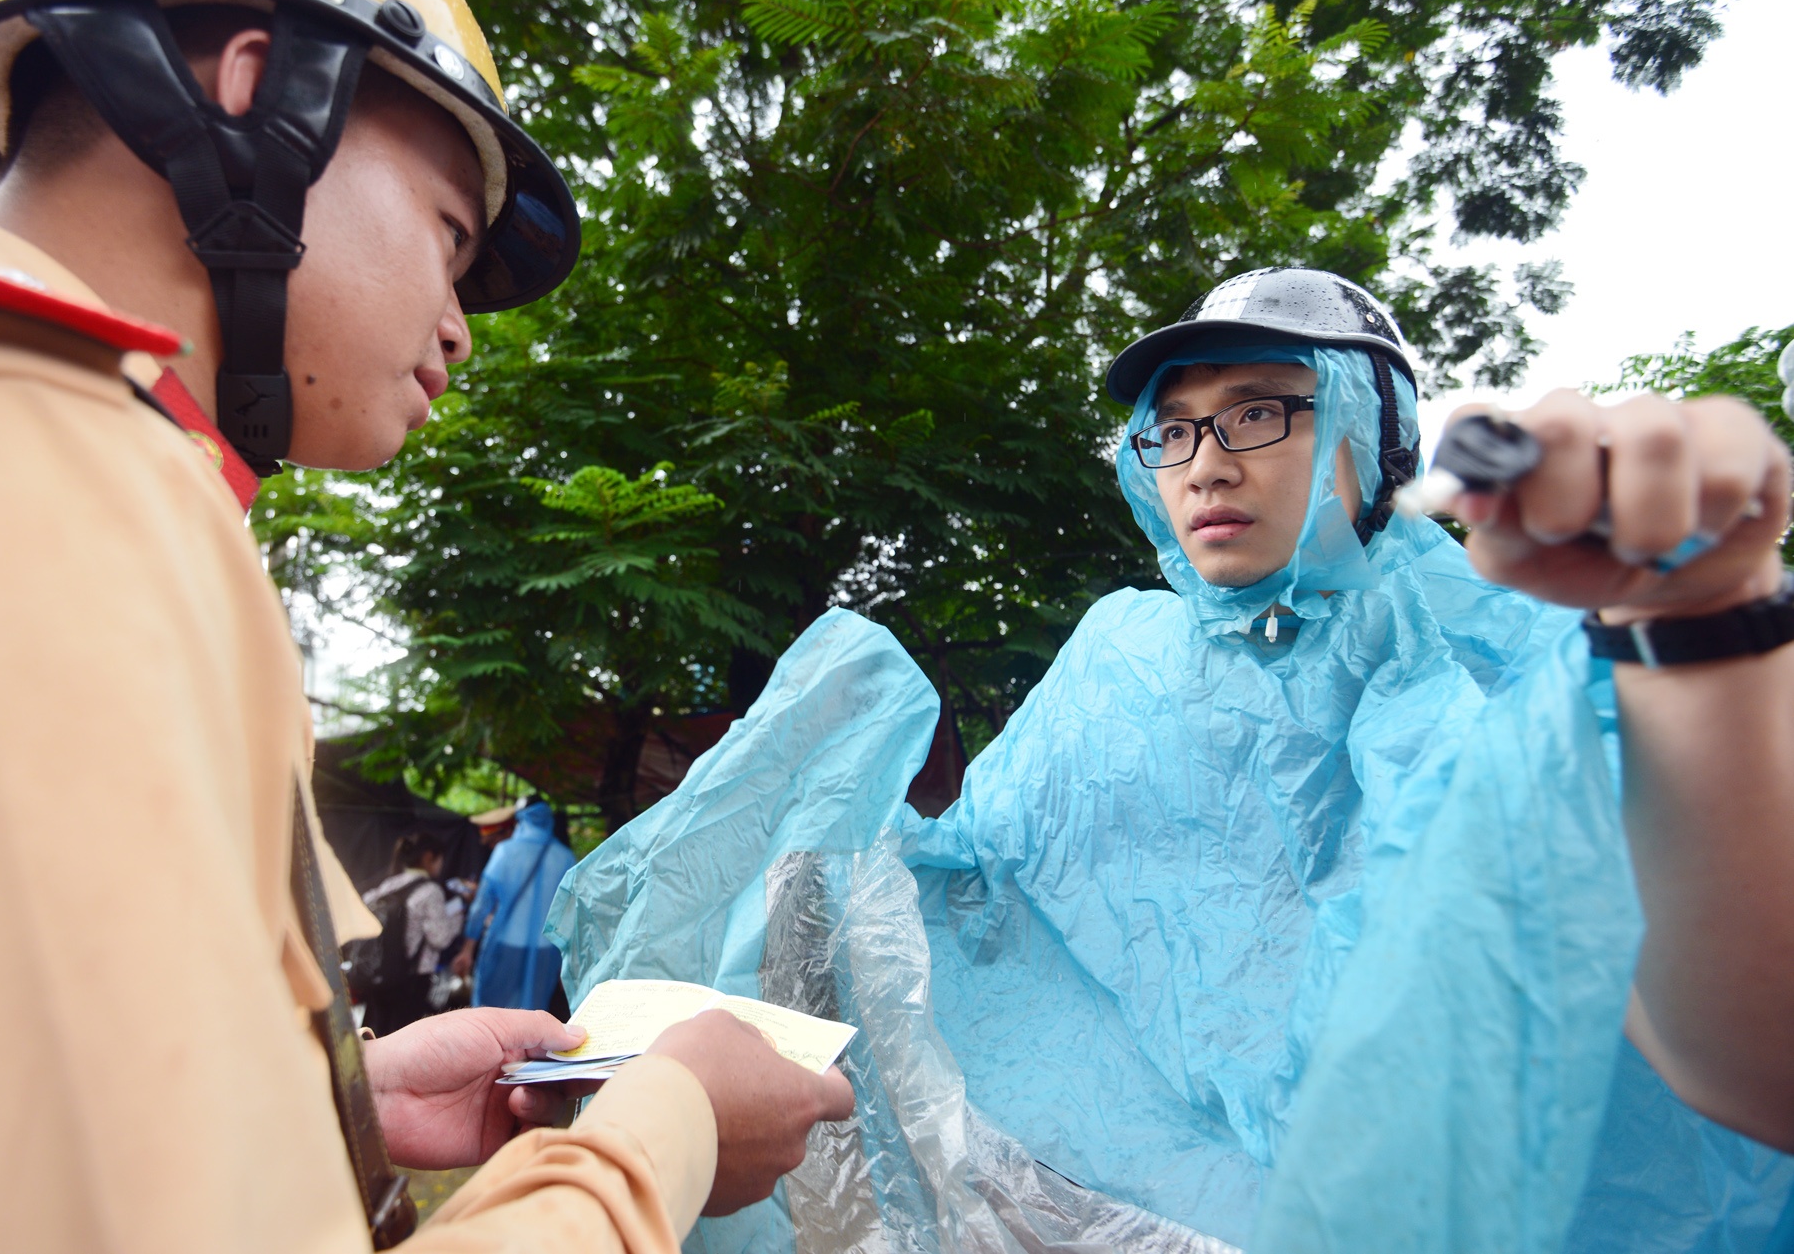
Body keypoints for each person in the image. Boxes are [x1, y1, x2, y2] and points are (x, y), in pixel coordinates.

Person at [0, 0, 853, 1248]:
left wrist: (336, 1101)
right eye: (449, 234)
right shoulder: (9, 475)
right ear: (259, 90)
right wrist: (671, 1128)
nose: (459, 324)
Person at [556, 269, 1794, 1251]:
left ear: (1373, 428)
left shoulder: (1515, 652)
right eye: (1176, 428)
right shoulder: (1120, 655)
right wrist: (798, 854)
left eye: (1260, 410)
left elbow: (1736, 1053)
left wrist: (1704, 641)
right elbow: (972, 885)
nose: (1207, 460)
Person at [456, 795, 577, 1011]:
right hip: (545, 951)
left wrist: (467, 950)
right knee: (531, 1015)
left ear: (520, 820)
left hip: (505, 943)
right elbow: (570, 914)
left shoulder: (505, 851)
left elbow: (481, 906)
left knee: (491, 1013)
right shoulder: (566, 857)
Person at [358, 832, 462, 1034]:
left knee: (375, 1029)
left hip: (378, 973)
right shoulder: (430, 891)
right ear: (429, 857)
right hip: (411, 978)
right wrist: (457, 916)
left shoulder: (388, 885)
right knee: (403, 1034)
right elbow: (440, 939)